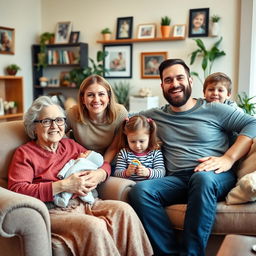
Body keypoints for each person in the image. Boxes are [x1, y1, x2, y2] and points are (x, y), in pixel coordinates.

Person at [128, 58, 256, 256]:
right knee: (140, 191)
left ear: (190, 81)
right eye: (168, 80)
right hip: (177, 179)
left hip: (214, 176)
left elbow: (252, 123)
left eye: (180, 78)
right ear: (162, 85)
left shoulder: (214, 109)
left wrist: (229, 158)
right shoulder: (154, 116)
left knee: (202, 178)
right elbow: (122, 119)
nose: (175, 84)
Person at [8, 96, 153, 256]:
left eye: (59, 120)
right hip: (55, 210)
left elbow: (99, 161)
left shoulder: (69, 144)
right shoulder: (25, 153)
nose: (55, 126)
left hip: (87, 201)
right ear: (34, 127)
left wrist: (100, 173)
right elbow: (17, 189)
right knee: (94, 226)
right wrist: (63, 185)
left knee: (124, 210)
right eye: (47, 121)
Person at [66, 74, 128, 164]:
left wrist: (103, 168)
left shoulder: (120, 113)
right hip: (83, 161)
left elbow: (114, 147)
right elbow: (56, 131)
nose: (96, 100)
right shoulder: (73, 113)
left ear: (109, 97)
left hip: (112, 163)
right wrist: (72, 147)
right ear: (83, 99)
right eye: (90, 95)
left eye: (101, 94)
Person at [114, 115, 166, 181]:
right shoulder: (124, 153)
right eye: (132, 141)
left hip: (147, 185)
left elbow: (161, 172)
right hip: (129, 185)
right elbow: (117, 173)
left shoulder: (155, 152)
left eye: (141, 141)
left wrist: (148, 172)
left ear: (149, 137)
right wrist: (126, 172)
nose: (137, 146)